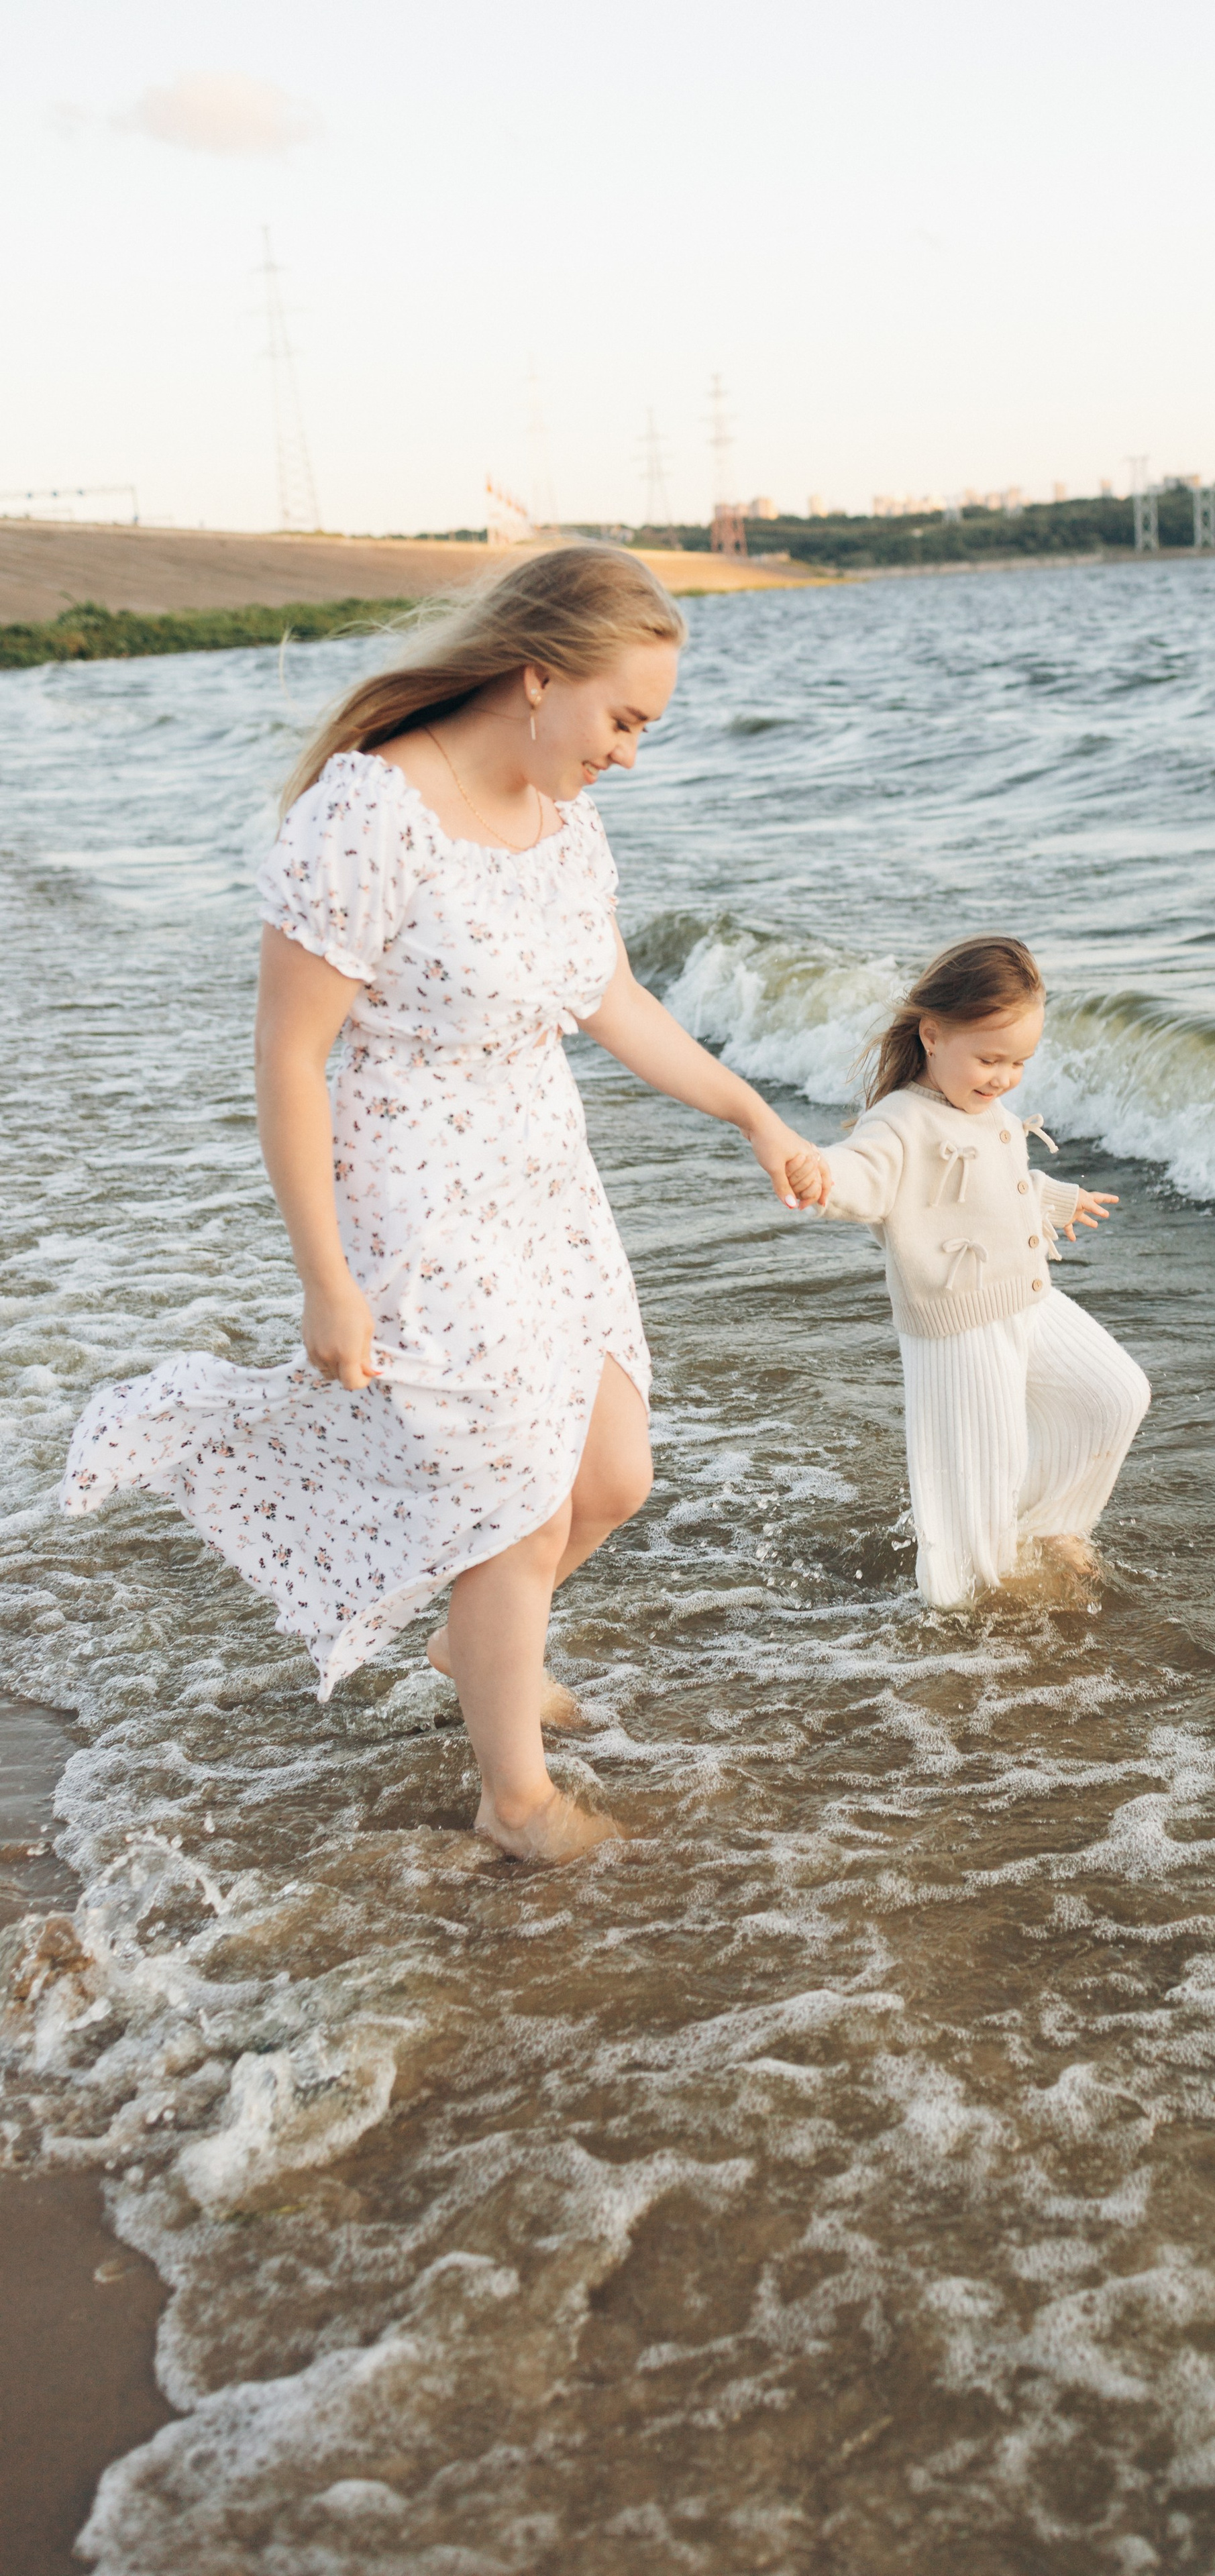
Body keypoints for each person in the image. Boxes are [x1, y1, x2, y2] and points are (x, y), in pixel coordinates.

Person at [62, 546, 823, 1865]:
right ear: (538, 677)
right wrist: (325, 1279)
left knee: (612, 1476)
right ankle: (512, 1794)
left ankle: (475, 1643)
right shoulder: (369, 813)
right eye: (624, 719)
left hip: (544, 1177)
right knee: (519, 1498)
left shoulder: (563, 818)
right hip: (411, 1187)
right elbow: (289, 1058)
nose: (632, 754)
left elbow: (613, 1001)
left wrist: (753, 1113)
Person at [806, 936, 1149, 1607]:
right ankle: (967, 1622)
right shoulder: (900, 1118)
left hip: (1024, 1296)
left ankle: (1052, 1526)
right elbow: (865, 1177)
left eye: (1019, 1062)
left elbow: (988, 1181)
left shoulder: (979, 1103)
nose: (1003, 1077)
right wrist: (820, 1175)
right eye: (990, 1058)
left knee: (1114, 1394)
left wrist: (1053, 1200)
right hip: (958, 1322)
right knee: (978, 1486)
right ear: (932, 1035)